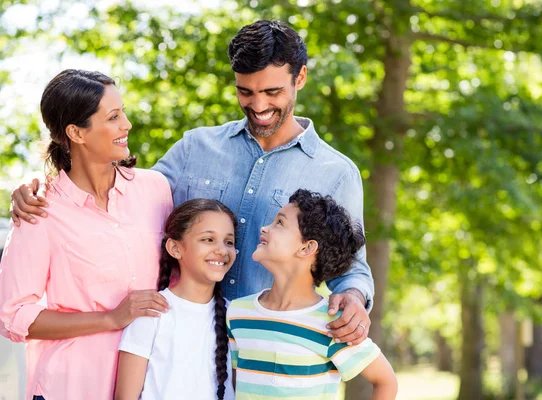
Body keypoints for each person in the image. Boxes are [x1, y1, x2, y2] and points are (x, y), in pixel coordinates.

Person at [10, 20, 374, 345]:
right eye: (245, 92)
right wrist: (41, 186)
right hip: (180, 346)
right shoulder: (195, 148)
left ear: (301, 78)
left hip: (267, 349)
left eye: (272, 92)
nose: (258, 105)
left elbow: (351, 267)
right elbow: (119, 194)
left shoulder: (335, 173)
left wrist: (355, 298)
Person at [0, 69, 173, 400]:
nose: (127, 125)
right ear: (76, 133)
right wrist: (110, 318)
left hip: (149, 385)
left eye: (123, 112)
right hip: (71, 387)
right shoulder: (40, 210)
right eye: (113, 117)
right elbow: (13, 316)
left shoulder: (155, 190)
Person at [227, 189, 398, 399]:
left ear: (307, 247)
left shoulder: (334, 324)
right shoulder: (237, 313)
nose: (264, 228)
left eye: (279, 223)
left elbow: (385, 381)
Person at [115, 199, 236, 400]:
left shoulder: (235, 316)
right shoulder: (152, 311)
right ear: (175, 248)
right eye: (208, 239)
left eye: (229, 242)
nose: (222, 250)